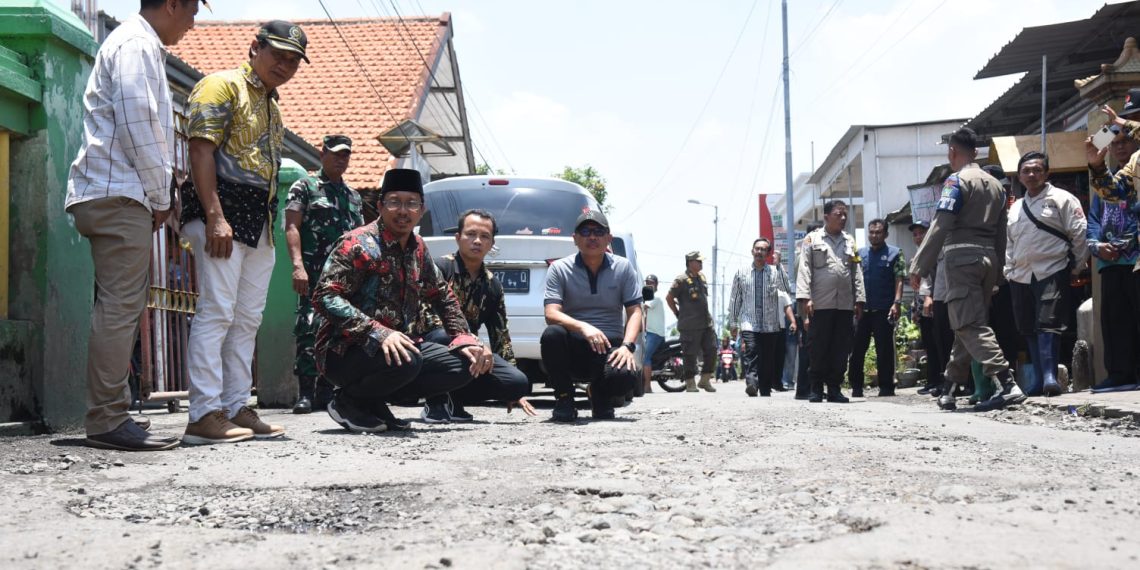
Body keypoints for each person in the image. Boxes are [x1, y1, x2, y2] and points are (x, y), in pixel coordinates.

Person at [65, 0, 204, 451]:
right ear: (169, 4)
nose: (192, 22)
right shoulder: (135, 44)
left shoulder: (133, 43)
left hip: (112, 192)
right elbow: (139, 126)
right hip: (120, 193)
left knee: (117, 306)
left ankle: (112, 410)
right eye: (191, 11)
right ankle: (106, 418)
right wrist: (162, 196)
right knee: (120, 308)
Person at [180, 20, 309, 444]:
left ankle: (236, 405)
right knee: (217, 311)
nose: (286, 66)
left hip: (258, 221)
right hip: (222, 212)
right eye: (279, 55)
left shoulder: (273, 105)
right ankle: (202, 412)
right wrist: (215, 216)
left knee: (247, 317)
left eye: (294, 61)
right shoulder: (221, 86)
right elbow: (200, 149)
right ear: (255, 47)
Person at [311, 169, 488, 433]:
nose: (403, 211)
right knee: (407, 360)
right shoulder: (357, 243)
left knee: (464, 365)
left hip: (395, 349)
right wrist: (378, 333)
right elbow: (324, 296)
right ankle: (348, 401)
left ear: (422, 210)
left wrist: (465, 338)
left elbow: (442, 294)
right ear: (381, 205)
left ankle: (372, 401)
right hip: (344, 352)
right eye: (394, 201)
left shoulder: (418, 247)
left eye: (411, 203)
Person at [910, 127, 1022, 412]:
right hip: (988, 260)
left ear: (952, 152)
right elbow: (999, 232)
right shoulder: (996, 185)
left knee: (968, 324)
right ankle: (949, 388)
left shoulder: (955, 181)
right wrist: (997, 272)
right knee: (970, 323)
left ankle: (1007, 383)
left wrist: (919, 265)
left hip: (961, 259)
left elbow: (941, 224)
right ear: (976, 152)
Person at [417, 209, 535, 422]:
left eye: (485, 237)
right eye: (470, 234)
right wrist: (471, 341)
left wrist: (514, 392)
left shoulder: (492, 285)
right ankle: (434, 400)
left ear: (492, 244)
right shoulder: (439, 268)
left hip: (469, 351)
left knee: (517, 383)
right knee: (446, 337)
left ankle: (454, 400)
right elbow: (426, 318)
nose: (477, 241)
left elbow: (500, 335)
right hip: (431, 345)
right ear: (457, 238)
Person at [284, 134, 363, 415]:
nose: (341, 159)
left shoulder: (353, 196)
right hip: (313, 273)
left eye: (346, 155)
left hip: (344, 278)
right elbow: (292, 227)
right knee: (308, 329)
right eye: (336, 154)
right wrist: (297, 266)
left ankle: (328, 391)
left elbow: (359, 239)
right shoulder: (304, 186)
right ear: (322, 154)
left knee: (341, 332)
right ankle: (306, 392)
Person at [541, 211, 643, 422]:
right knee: (552, 335)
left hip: (610, 346)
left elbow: (635, 312)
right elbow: (551, 313)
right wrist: (584, 328)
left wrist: (627, 347)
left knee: (626, 375)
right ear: (575, 239)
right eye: (585, 231)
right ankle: (564, 398)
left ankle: (600, 395)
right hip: (574, 345)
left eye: (598, 231)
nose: (592, 237)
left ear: (608, 238)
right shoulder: (559, 269)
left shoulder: (623, 267)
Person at [1006, 151, 1087, 397]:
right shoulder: (1016, 207)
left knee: (1048, 324)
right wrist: (1008, 269)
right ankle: (1039, 378)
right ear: (1019, 176)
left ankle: (1051, 377)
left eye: (1037, 170)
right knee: (1028, 326)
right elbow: (1008, 242)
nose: (1031, 175)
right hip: (1020, 275)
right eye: (1026, 171)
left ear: (1046, 173)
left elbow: (1079, 234)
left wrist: (1076, 267)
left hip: (1051, 270)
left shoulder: (1063, 199)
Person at [1086, 101, 1140, 393]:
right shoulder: (1129, 169)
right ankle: (1119, 374)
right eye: (1114, 141)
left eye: (1125, 139)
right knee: (1115, 320)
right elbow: (1109, 196)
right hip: (1113, 260)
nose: (1120, 146)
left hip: (1135, 255)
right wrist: (1096, 162)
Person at [796, 200, 864, 403]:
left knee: (841, 347)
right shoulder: (811, 239)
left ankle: (834, 388)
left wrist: (859, 299)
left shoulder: (850, 241)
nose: (843, 218)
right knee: (818, 347)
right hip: (820, 304)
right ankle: (816, 388)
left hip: (844, 304)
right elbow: (804, 269)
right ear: (826, 217)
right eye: (838, 214)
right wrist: (805, 299)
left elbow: (856, 271)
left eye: (845, 215)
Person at [728, 237, 796, 397]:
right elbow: (735, 299)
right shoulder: (741, 273)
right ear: (752, 251)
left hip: (770, 324)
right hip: (748, 322)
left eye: (763, 249)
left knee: (767, 358)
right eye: (757, 249)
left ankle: (765, 389)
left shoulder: (774, 271)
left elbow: (786, 288)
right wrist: (733, 322)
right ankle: (752, 383)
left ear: (768, 253)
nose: (759, 252)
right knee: (751, 351)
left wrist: (779, 266)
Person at [847, 219, 905, 398]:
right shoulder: (860, 254)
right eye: (871, 232)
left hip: (883, 310)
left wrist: (897, 302)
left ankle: (886, 387)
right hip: (861, 311)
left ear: (885, 234)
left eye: (878, 232)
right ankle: (856, 387)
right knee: (857, 350)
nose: (874, 235)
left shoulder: (895, 253)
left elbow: (899, 279)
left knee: (884, 350)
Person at [666, 252, 717, 393]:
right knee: (690, 354)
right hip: (689, 325)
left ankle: (705, 380)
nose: (701, 264)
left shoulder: (701, 277)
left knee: (712, 349)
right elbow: (669, 298)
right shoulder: (681, 280)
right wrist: (678, 314)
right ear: (690, 262)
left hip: (706, 323)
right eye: (698, 261)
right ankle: (690, 383)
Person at [910, 221, 941, 395]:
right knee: (928, 344)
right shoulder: (917, 256)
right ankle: (932, 380)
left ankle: (940, 380)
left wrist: (931, 297)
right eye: (915, 234)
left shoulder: (935, 253)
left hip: (935, 302)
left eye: (921, 233)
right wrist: (915, 309)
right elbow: (917, 286)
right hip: (922, 306)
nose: (918, 237)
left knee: (937, 343)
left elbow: (935, 279)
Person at [642, 274, 666, 394]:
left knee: (645, 358)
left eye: (651, 282)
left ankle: (647, 387)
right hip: (649, 332)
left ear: (656, 284)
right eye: (647, 282)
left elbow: (644, 307)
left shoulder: (656, 298)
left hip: (655, 333)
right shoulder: (649, 298)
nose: (649, 284)